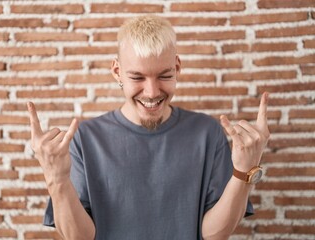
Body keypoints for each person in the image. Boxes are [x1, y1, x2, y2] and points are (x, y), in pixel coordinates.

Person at [27, 15, 270, 240]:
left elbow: (214, 234)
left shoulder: (207, 133)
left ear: (177, 68)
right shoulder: (85, 139)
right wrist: (56, 179)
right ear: (117, 71)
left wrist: (244, 171)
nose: (152, 92)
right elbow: (80, 237)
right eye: (137, 77)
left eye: (164, 76)